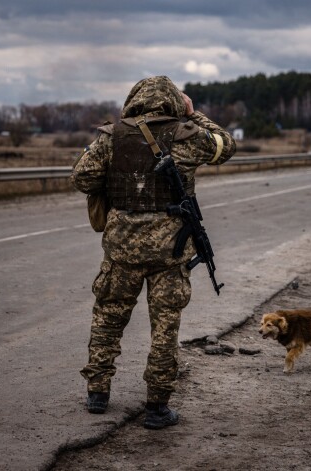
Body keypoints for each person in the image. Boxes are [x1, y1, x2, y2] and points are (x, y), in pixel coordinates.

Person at [71, 75, 236, 429]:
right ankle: (157, 407)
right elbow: (226, 145)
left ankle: (97, 393)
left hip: (121, 248)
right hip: (169, 252)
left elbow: (82, 178)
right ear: (175, 103)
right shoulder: (187, 135)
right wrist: (195, 114)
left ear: (134, 99)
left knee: (108, 318)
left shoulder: (110, 136)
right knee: (164, 328)